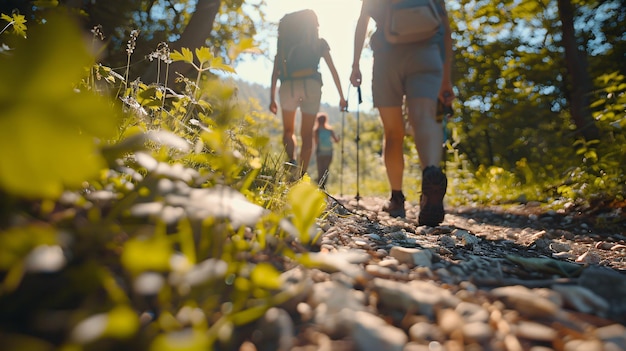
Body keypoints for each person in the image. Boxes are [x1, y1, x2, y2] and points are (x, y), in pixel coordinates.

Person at [350, 0, 455, 226]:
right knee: (425, 117)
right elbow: (445, 29)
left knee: (393, 131)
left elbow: (362, 21)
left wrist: (355, 64)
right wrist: (446, 79)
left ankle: (397, 199)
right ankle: (431, 174)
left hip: (388, 55)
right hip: (427, 53)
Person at [269, 10, 348, 177]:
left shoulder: (284, 44)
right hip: (312, 85)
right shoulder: (318, 43)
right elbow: (333, 70)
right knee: (307, 135)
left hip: (289, 85)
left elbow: (275, 72)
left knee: (288, 131)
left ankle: (292, 160)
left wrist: (272, 99)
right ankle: (302, 175)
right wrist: (341, 96)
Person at [313, 112, 340, 188]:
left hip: (320, 153)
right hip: (329, 153)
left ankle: (319, 186)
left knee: (320, 170)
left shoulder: (316, 130)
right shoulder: (330, 130)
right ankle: (323, 185)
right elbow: (336, 140)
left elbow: (316, 142)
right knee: (326, 169)